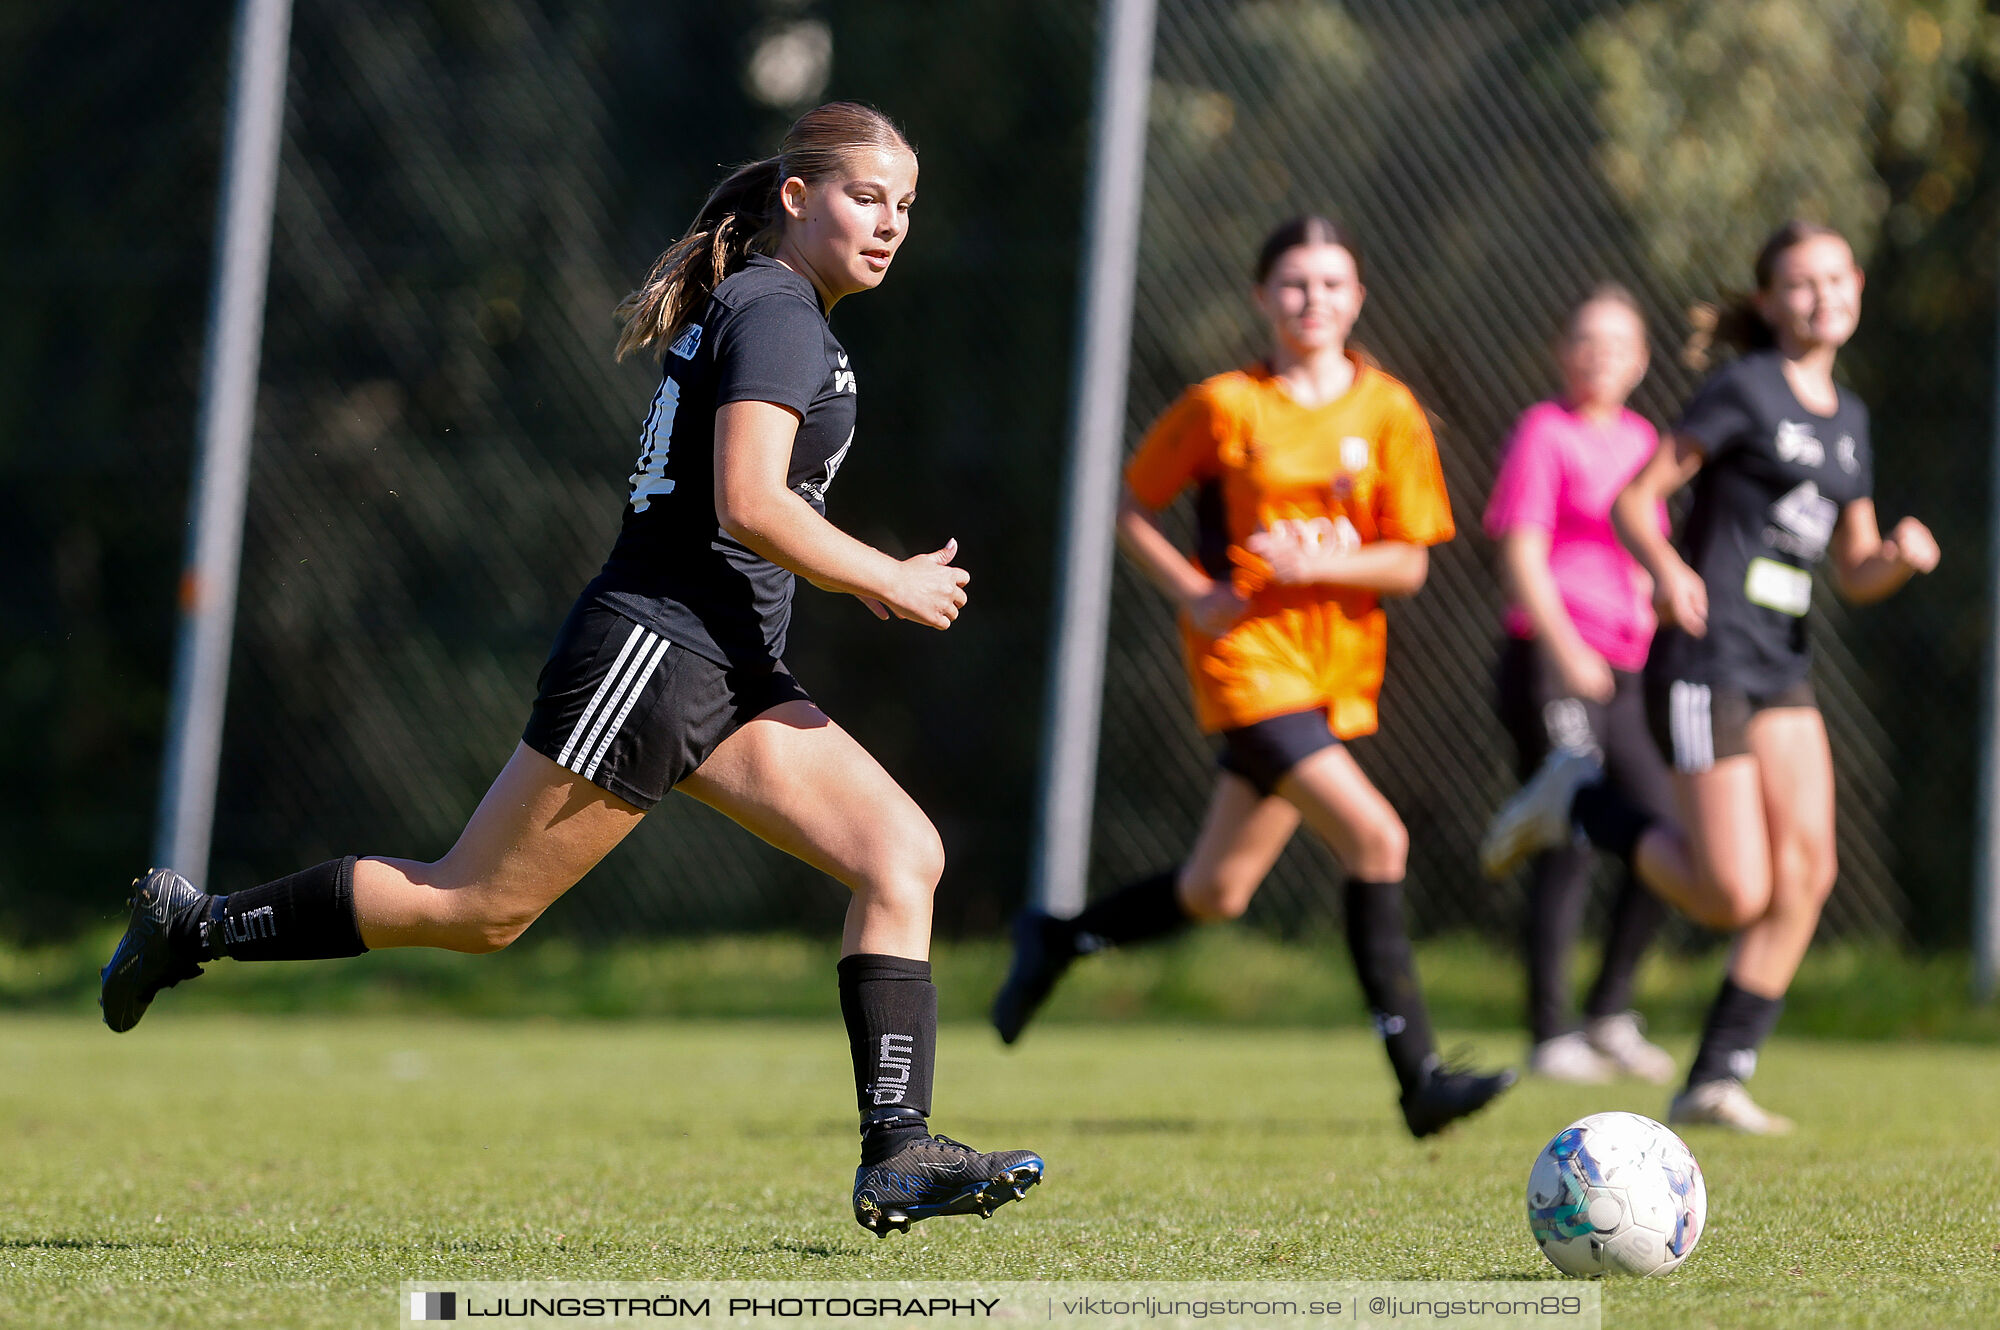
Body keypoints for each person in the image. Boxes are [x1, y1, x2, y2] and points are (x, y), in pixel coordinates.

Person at [99, 101, 1044, 1234]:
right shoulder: (778, 310)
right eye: (864, 197)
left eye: (903, 205)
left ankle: (897, 1152)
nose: (889, 223)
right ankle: (193, 928)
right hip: (655, 650)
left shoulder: (775, 306)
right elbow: (746, 503)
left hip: (726, 663)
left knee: (900, 855)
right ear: (796, 198)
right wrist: (879, 576)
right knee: (474, 906)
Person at [991, 215, 1514, 1138]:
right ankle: (1419, 1078)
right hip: (1248, 667)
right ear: (1263, 298)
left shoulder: (1388, 410)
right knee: (1377, 839)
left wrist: (1315, 568)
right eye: (1295, 284)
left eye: (1332, 284)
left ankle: (1059, 937)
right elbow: (1132, 505)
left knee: (1217, 891)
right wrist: (1196, 593)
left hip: (1332, 674)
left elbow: (1409, 564)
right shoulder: (1225, 406)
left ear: (1357, 298)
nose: (1314, 300)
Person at [1494, 220, 1938, 1132]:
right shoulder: (1743, 388)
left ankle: (1715, 1075)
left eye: (1836, 278)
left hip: (1781, 661)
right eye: (1801, 283)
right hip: (1704, 659)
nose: (1824, 296)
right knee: (1733, 891)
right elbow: (1635, 498)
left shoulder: (1849, 420)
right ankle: (1579, 803)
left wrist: (1897, 556)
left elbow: (1852, 571)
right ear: (1769, 302)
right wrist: (1666, 570)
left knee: (1808, 873)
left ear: (1857, 286)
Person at [1481, 286, 1681, 1086]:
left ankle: (1610, 1012)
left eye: (1618, 343)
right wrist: (1565, 647)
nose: (1600, 355)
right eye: (1586, 340)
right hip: (1552, 661)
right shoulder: (1544, 432)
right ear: (1563, 352)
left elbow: (1647, 553)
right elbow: (1522, 552)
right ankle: (1550, 1033)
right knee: (1569, 837)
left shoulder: (1642, 441)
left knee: (1669, 836)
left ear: (1640, 361)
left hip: (1626, 674)